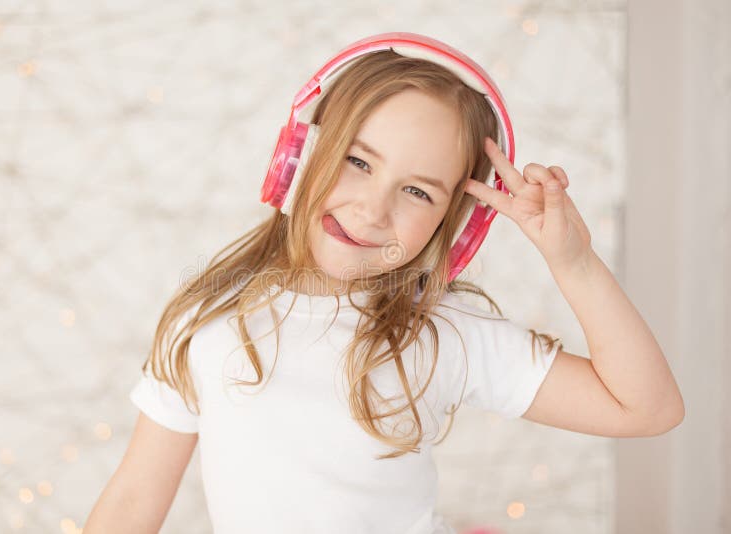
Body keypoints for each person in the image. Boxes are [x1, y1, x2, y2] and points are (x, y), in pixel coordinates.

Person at [84, 33, 684, 534]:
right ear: (297, 155)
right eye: (358, 160)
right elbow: (135, 499)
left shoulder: (445, 332)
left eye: (418, 191)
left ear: (452, 227)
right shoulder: (210, 317)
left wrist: (574, 264)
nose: (373, 209)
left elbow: (647, 409)